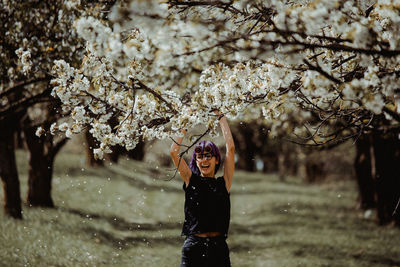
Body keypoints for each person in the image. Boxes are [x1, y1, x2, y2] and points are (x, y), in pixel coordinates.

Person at [170, 111, 235, 267]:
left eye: (208, 155)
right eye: (199, 157)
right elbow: (173, 152)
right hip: (194, 247)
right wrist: (186, 120)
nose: (204, 160)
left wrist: (221, 117)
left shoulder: (224, 183)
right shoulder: (190, 180)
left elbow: (230, 148)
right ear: (196, 161)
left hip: (218, 248)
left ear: (216, 159)